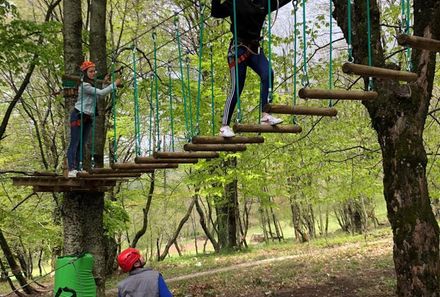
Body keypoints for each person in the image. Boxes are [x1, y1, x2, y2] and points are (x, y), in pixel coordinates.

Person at [211, 0, 292, 137]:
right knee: (237, 87)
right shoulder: (234, 3)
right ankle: (224, 126)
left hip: (255, 50)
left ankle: (265, 114)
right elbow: (216, 12)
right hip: (238, 50)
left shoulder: (263, 3)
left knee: (268, 73)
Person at [66, 60, 122, 177]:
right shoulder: (85, 85)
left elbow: (98, 93)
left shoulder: (90, 85)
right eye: (90, 71)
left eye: (94, 71)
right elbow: (101, 93)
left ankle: (78, 167)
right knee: (75, 142)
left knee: (82, 144)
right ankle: (72, 168)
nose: (93, 73)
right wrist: (113, 85)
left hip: (87, 117)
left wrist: (105, 84)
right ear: (85, 73)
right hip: (78, 115)